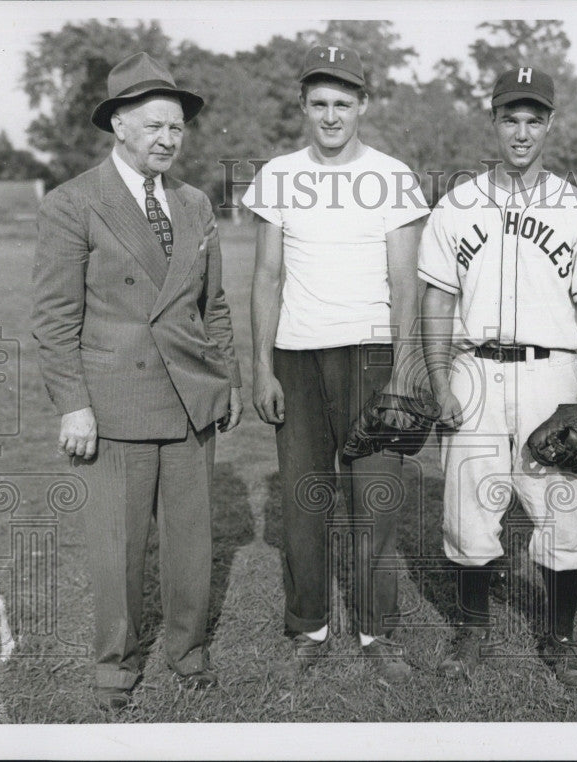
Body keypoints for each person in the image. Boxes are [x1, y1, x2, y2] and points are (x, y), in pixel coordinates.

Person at [31, 52, 242, 711]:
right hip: (114, 402)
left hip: (189, 401)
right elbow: (54, 316)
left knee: (191, 544)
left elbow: (216, 305)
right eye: (153, 126)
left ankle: (186, 653)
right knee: (117, 546)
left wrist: (225, 379)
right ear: (119, 126)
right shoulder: (74, 204)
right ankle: (115, 665)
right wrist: (73, 405)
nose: (168, 139)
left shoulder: (195, 202)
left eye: (176, 128)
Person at [419, 67, 577, 686]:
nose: (522, 131)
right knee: (466, 509)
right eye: (511, 117)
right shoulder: (458, 204)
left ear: (550, 125)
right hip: (473, 370)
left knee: (560, 509)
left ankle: (559, 638)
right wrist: (436, 384)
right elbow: (436, 300)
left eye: (534, 119)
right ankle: (473, 629)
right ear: (494, 120)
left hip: (549, 374)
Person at [243, 45, 429, 684]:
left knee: (375, 500)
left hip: (372, 356)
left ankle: (378, 633)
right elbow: (266, 276)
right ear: (303, 106)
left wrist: (405, 370)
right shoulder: (277, 175)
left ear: (363, 106)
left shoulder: (393, 175)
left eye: (342, 104)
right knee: (304, 499)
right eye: (319, 103)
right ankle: (310, 627)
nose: (330, 116)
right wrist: (260, 367)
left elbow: (406, 282)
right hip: (296, 354)